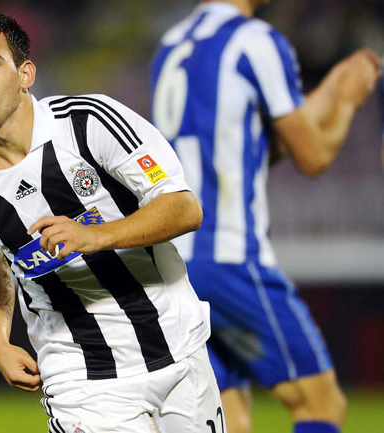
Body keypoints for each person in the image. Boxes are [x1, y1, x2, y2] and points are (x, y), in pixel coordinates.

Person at [0, 9, 224, 433]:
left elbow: (184, 208)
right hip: (79, 377)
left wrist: (94, 236)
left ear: (25, 74)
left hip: (177, 347)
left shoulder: (89, 123)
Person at [150, 2, 382, 433]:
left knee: (228, 419)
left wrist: (329, 88)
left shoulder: (171, 44)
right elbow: (313, 156)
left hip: (173, 260)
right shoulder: (256, 40)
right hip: (228, 254)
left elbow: (245, 149)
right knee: (320, 403)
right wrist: (347, 98)